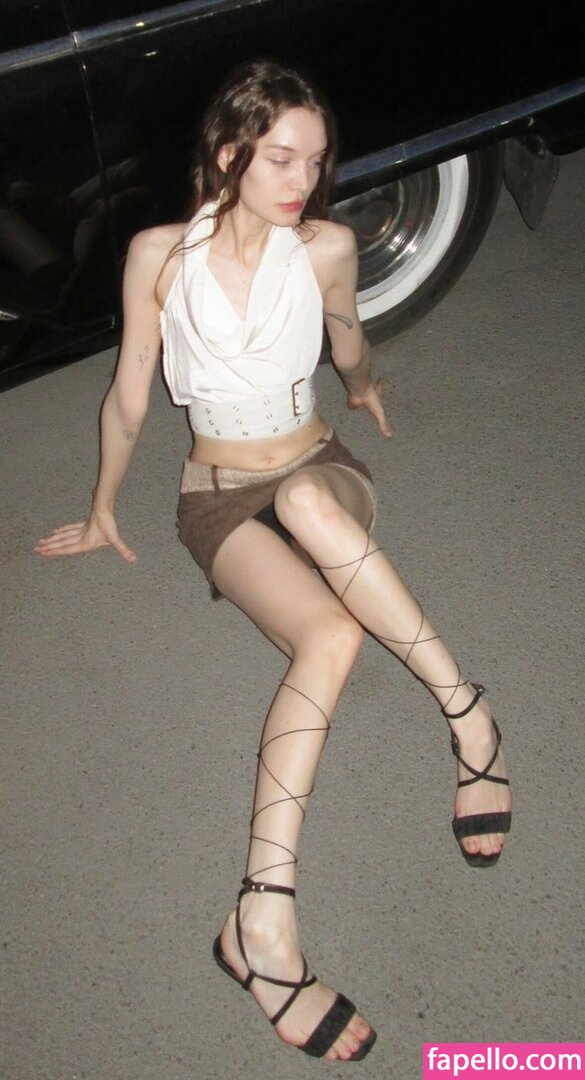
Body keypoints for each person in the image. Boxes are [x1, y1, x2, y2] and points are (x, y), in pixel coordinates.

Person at [35, 59, 512, 1063]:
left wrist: (364, 387)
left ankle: (466, 718)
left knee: (305, 499)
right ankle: (262, 921)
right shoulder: (159, 257)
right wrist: (102, 508)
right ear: (228, 155)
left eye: (316, 159)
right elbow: (129, 392)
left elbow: (346, 334)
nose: (305, 180)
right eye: (281, 158)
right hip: (215, 498)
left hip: (317, 467)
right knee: (330, 637)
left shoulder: (326, 246)